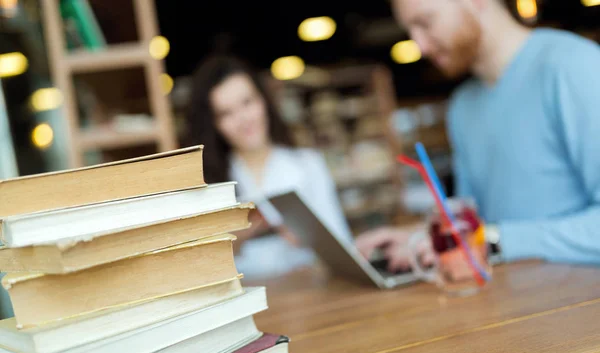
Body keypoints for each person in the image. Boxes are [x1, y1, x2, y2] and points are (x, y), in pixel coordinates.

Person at [357, 0, 600, 270]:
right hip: (508, 300)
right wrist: (422, 237)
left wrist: (494, 240)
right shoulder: (463, 105)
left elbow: (490, 234)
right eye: (410, 30)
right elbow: (475, 222)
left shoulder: (576, 68)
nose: (420, 46)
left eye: (426, 23)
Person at [186, 54, 353, 279]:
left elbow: (344, 248)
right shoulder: (209, 184)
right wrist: (233, 243)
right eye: (226, 113)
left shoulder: (308, 164)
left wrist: (311, 241)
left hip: (309, 296)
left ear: (263, 100)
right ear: (214, 125)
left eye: (247, 102)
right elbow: (196, 269)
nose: (243, 119)